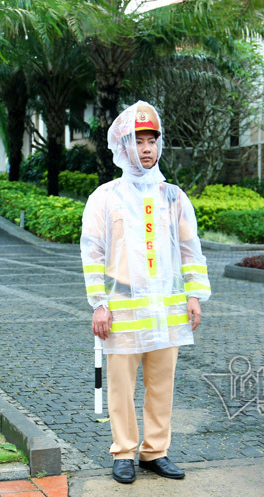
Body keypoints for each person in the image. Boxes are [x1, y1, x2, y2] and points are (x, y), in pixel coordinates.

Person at [80, 101, 211, 484]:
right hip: (120, 311)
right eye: (139, 141)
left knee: (162, 386)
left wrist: (193, 295)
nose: (148, 148)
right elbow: (92, 252)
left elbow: (191, 248)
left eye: (153, 140)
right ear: (123, 147)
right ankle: (123, 452)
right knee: (121, 387)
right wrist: (99, 304)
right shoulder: (105, 197)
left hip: (166, 311)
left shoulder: (173, 196)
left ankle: (156, 451)